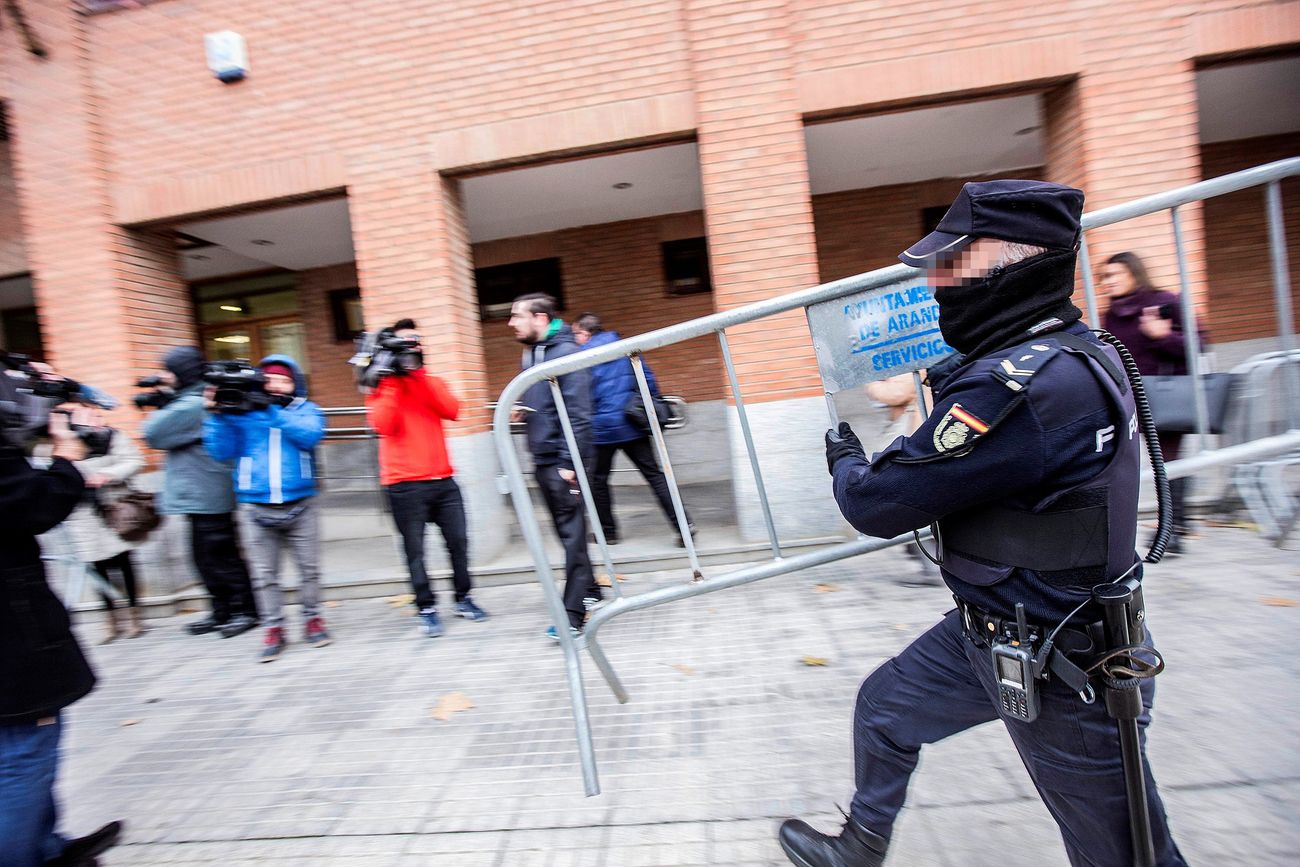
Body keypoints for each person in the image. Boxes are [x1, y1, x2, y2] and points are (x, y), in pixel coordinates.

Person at [781, 180, 1186, 866]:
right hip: (995, 629)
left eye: (953, 261)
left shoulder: (1019, 390)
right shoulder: (1072, 351)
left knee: (1122, 851)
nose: (937, 281)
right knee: (885, 708)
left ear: (1015, 260)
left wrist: (847, 462)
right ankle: (861, 843)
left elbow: (877, 503)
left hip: (1063, 662)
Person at [1, 367, 122, 867]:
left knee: (22, 748)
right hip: (9, 630)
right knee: (24, 751)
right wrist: (68, 455)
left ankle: (48, 848)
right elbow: (26, 505)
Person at [204, 355, 331, 661]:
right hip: (255, 506)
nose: (275, 385)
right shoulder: (240, 414)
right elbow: (220, 451)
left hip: (301, 503)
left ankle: (312, 618)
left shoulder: (307, 410)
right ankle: (274, 627)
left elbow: (309, 437)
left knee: (310, 570)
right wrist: (215, 415)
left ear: (295, 384)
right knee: (264, 575)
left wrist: (271, 409)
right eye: (269, 380)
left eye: (283, 380)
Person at [365, 320, 488, 638]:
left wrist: (417, 375)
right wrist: (392, 379)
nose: (411, 348)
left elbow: (452, 409)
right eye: (403, 344)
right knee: (415, 551)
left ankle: (464, 598)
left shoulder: (430, 381)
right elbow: (384, 426)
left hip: (444, 481)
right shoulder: (380, 388)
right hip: (404, 484)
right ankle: (426, 607)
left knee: (459, 544)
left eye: (415, 342)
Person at [142, 346, 258, 639]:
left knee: (222, 557)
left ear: (183, 372)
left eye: (168, 371)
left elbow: (152, 434)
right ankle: (222, 611)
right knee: (205, 559)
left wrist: (162, 404)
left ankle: (244, 611)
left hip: (209, 493)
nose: (163, 376)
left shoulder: (193, 404)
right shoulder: (189, 400)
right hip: (200, 493)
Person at [508, 294, 602, 641]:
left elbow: (579, 413)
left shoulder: (566, 354)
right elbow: (548, 400)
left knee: (572, 535)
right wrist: (524, 406)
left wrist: (568, 462)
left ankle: (573, 614)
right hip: (544, 455)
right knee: (569, 532)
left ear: (540, 318)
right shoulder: (535, 351)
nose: (510, 322)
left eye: (517, 316)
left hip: (563, 461)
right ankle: (591, 588)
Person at [1101, 251, 1206, 555]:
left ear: (1134, 272)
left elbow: (1198, 343)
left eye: (1115, 274)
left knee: (1169, 462)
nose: (1108, 282)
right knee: (1145, 461)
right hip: (1131, 398)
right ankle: (1178, 522)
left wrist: (1162, 336)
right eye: (1105, 277)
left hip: (1167, 395)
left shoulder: (1165, 302)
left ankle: (1172, 529)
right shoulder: (1112, 313)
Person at [572, 312, 695, 547]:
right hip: (632, 423)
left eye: (575, 333)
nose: (574, 338)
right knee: (655, 476)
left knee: (597, 481)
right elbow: (647, 380)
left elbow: (581, 395)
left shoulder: (581, 357)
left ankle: (608, 533)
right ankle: (684, 526)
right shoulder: (625, 348)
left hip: (601, 429)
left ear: (585, 333)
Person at [62, 425, 149, 642]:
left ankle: (133, 614)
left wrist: (107, 474)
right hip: (82, 512)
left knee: (124, 562)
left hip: (115, 507)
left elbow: (135, 460)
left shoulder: (107, 435)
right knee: (96, 567)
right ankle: (111, 619)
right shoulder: (57, 439)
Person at [863, 373, 938, 585]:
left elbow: (895, 393)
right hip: (907, 431)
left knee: (908, 503)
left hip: (912, 433)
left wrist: (872, 384)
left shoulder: (914, 365)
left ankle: (931, 567)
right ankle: (921, 556)